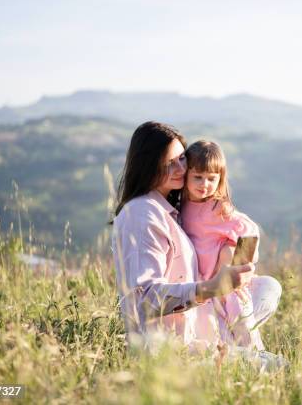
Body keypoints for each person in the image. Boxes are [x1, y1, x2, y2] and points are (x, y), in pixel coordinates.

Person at [110, 122, 281, 352]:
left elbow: (244, 229)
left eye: (181, 159)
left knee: (269, 287)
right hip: (171, 347)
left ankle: (231, 341)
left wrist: (234, 260)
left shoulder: (172, 207)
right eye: (170, 163)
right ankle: (235, 346)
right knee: (277, 366)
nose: (181, 169)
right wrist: (211, 287)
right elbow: (144, 299)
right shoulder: (142, 214)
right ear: (149, 165)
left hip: (200, 318)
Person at [181, 140, 281, 350]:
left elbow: (249, 229)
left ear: (220, 179)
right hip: (202, 288)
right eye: (197, 177)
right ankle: (234, 365)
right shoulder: (180, 206)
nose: (204, 184)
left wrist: (236, 263)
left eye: (211, 178)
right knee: (216, 336)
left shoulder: (218, 207)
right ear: (186, 175)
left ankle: (259, 364)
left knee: (245, 328)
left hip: (227, 285)